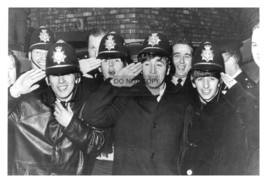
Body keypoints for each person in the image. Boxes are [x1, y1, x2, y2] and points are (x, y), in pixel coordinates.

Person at [82, 33, 187, 175]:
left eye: (159, 64)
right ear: (140, 68)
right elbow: (91, 115)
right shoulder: (127, 95)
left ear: (168, 69)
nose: (152, 71)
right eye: (147, 64)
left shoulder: (181, 99)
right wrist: (116, 82)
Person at [8, 40, 104, 175]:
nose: (61, 81)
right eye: (55, 75)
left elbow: (97, 146)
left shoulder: (89, 103)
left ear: (77, 77)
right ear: (47, 80)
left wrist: (72, 124)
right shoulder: (27, 105)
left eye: (66, 73)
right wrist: (12, 94)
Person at [178, 41, 259, 175]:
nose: (205, 86)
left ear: (220, 81)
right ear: (192, 81)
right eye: (200, 79)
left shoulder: (232, 114)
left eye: (211, 79)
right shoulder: (188, 110)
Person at [89, 32, 131, 175]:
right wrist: (114, 83)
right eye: (106, 60)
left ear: (126, 65)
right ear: (100, 67)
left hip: (126, 164)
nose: (111, 65)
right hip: (97, 163)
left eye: (116, 60)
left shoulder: (135, 91)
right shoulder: (93, 89)